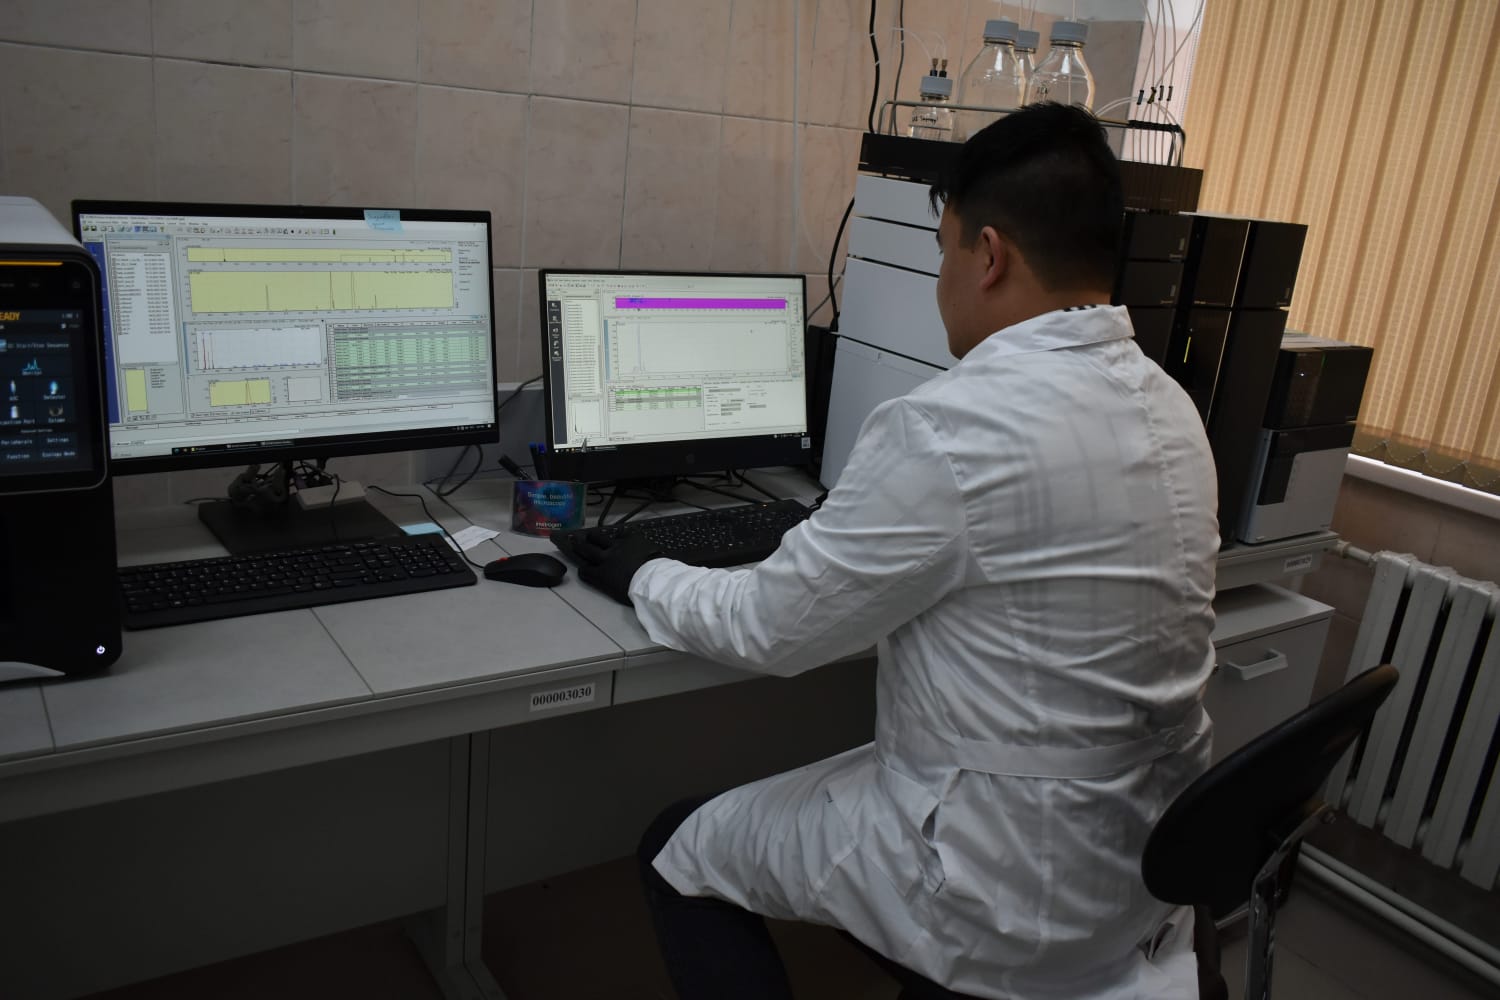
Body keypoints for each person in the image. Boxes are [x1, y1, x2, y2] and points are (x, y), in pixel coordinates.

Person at [574, 102, 1221, 1000]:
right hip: (1136, 864)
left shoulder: (949, 428)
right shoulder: (1169, 406)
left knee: (677, 849)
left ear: (988, 255)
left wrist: (643, 572)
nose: (939, 280)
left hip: (997, 883)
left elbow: (769, 629)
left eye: (943, 251)